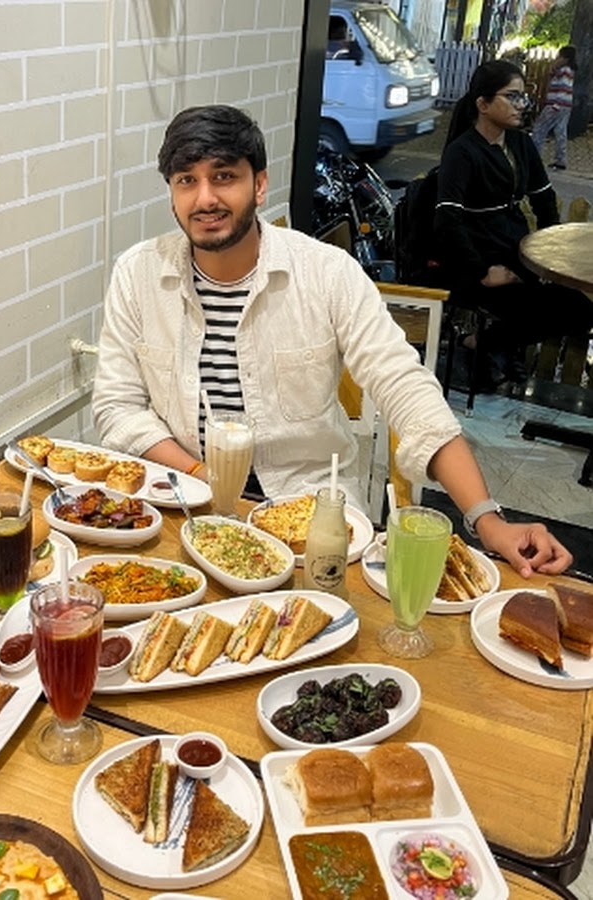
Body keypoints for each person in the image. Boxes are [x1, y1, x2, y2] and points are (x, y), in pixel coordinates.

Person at [92, 104, 573, 578]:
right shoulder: (139, 274)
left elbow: (405, 387)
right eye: (186, 180)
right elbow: (117, 405)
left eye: (223, 177)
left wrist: (487, 519)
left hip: (305, 511)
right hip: (183, 502)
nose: (205, 198)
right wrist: (202, 478)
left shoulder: (326, 273)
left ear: (259, 185)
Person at [434, 59, 593, 387]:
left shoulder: (520, 143)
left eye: (523, 96)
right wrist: (482, 272)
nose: (522, 105)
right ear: (483, 104)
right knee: (541, 309)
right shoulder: (461, 153)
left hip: (516, 255)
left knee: (581, 309)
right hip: (476, 264)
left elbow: (544, 200)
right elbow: (447, 221)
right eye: (512, 96)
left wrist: (549, 259)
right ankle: (489, 348)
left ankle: (483, 343)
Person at [532, 46, 576, 171]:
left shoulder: (563, 71)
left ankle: (534, 158)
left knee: (539, 129)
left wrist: (556, 104)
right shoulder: (571, 71)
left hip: (555, 104)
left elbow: (561, 86)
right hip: (566, 105)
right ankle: (561, 159)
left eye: (559, 56)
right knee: (560, 131)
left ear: (565, 58)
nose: (557, 58)